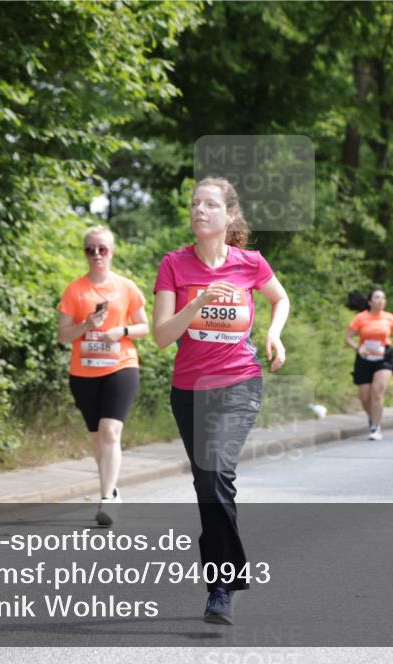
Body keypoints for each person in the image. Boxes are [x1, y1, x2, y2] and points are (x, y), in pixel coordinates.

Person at [152, 176, 289, 625]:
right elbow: (160, 337)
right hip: (189, 390)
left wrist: (273, 332)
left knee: (214, 477)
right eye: (195, 204)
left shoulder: (250, 263)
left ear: (230, 216)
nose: (199, 210)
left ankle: (220, 589)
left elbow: (280, 298)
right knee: (207, 486)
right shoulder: (174, 265)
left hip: (239, 384)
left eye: (210, 204)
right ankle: (222, 581)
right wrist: (195, 305)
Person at [57, 225, 149, 526]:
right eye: (91, 249)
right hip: (83, 372)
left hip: (120, 367)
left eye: (102, 249)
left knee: (110, 431)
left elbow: (144, 328)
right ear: (85, 253)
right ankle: (112, 488)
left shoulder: (126, 287)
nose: (97, 254)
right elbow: (62, 335)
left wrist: (119, 331)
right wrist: (86, 326)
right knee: (97, 438)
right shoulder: (75, 290)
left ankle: (107, 498)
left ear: (112, 252)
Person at [346, 288, 393, 440]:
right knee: (364, 397)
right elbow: (348, 338)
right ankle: (373, 418)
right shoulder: (360, 318)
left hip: (383, 357)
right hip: (364, 357)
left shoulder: (389, 318)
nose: (380, 300)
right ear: (370, 301)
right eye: (377, 298)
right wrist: (358, 348)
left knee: (377, 392)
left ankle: (375, 427)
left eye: (383, 298)